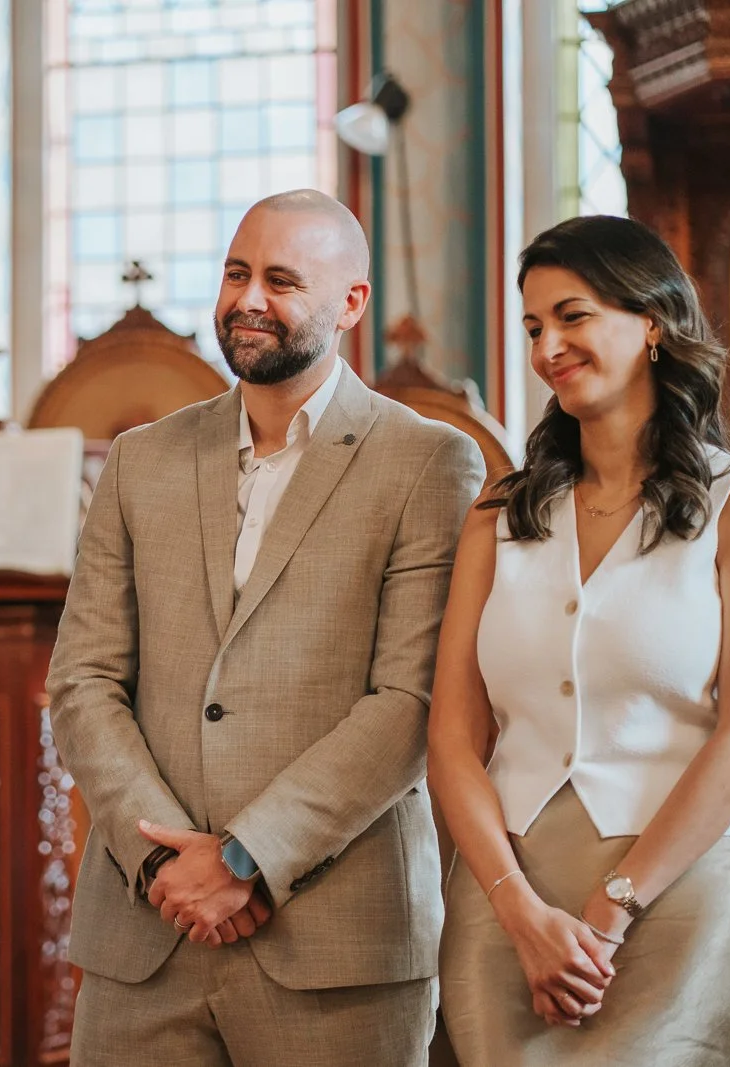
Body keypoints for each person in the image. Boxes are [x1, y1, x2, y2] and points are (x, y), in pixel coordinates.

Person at [48, 188, 485, 1066]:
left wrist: (245, 856)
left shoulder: (429, 461)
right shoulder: (142, 459)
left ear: (350, 303)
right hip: (148, 934)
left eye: (282, 280)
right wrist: (168, 864)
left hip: (336, 944)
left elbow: (409, 702)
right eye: (237, 272)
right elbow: (82, 680)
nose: (249, 298)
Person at [430, 214, 730, 1066]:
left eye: (573, 315)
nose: (548, 344)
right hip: (505, 892)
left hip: (680, 894)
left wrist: (609, 910)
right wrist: (518, 911)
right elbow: (452, 740)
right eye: (532, 327)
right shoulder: (498, 518)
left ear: (653, 322)